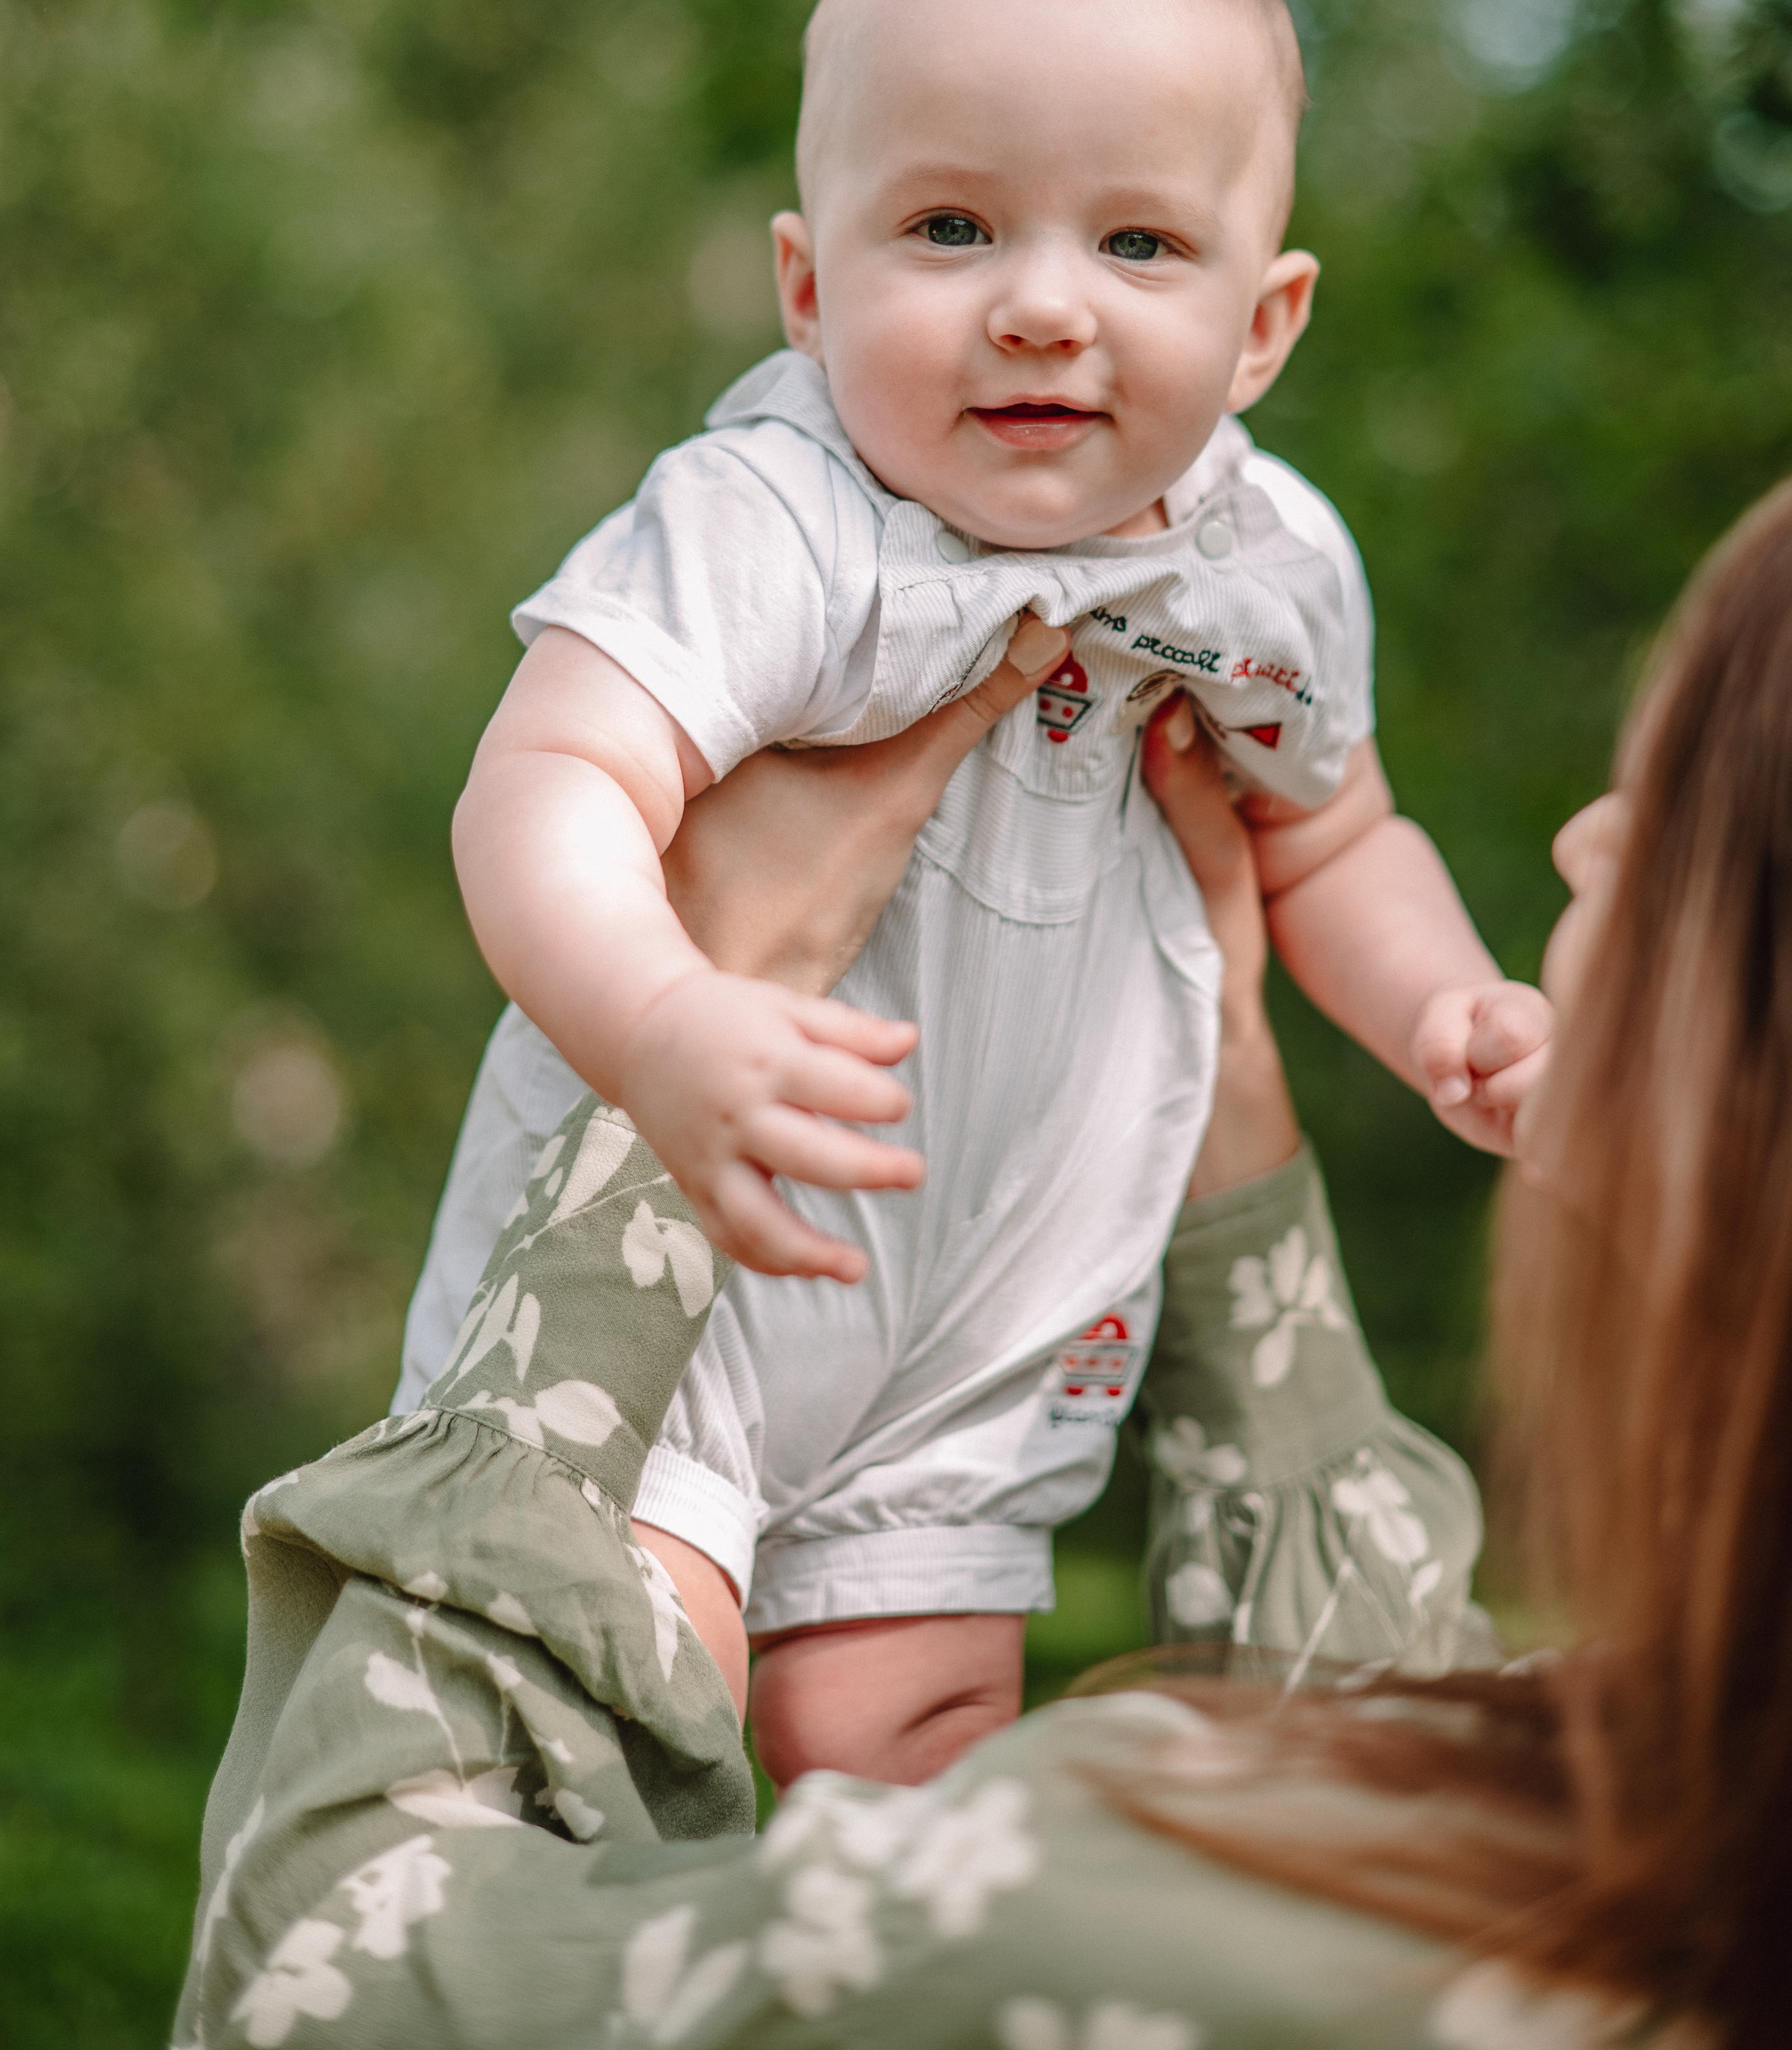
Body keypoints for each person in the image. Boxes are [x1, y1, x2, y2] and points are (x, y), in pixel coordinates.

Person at [177, 477, 1792, 2047]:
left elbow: (326, 1981)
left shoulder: (1115, 1928)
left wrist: (693, 1027)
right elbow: (1391, 1711)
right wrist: (1209, 1077)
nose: (1588, 837)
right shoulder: (1669, 1847)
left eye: (1681, 810)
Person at [415, 0, 1549, 1783]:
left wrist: (1450, 1008)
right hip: (675, 1271)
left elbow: (1335, 840)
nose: (1039, 304)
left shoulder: (1265, 570)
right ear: (809, 283)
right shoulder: (777, 524)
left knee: (916, 1759)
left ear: (1264, 324)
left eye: (1136, 241)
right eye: (949, 226)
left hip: (993, 1317)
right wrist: (658, 1017)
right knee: (618, 1715)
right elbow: (547, 783)